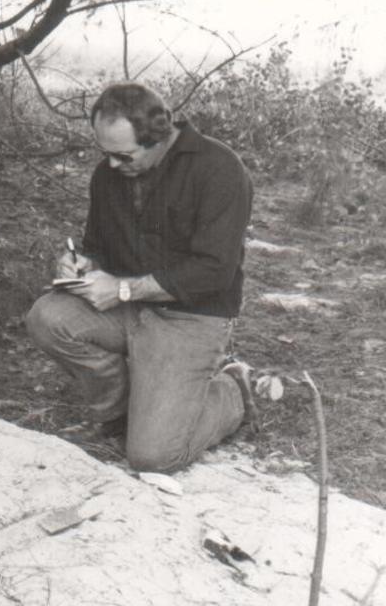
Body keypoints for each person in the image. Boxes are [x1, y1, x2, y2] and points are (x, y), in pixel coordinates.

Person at [24, 81, 255, 472]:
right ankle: (122, 414)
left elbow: (214, 271)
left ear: (159, 136)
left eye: (123, 156)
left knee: (154, 457)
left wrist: (125, 289)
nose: (112, 165)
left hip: (191, 317)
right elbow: (96, 244)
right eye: (106, 154)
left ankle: (234, 391)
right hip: (127, 307)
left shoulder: (219, 169)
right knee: (47, 317)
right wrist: (80, 263)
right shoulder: (107, 174)